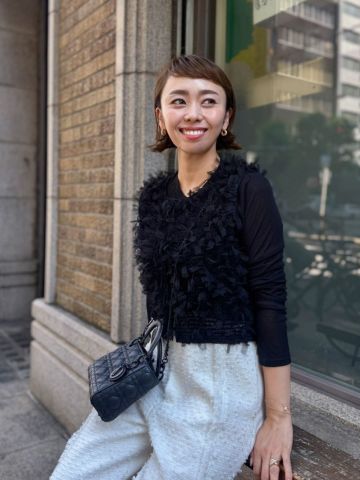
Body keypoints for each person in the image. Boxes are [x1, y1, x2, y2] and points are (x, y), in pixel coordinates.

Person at [50, 54, 293, 480]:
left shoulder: (248, 189)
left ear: (226, 117)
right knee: (72, 472)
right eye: (179, 101)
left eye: (208, 101)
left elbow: (270, 300)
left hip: (219, 386)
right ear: (160, 117)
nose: (193, 113)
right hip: (155, 372)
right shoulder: (153, 197)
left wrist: (278, 417)